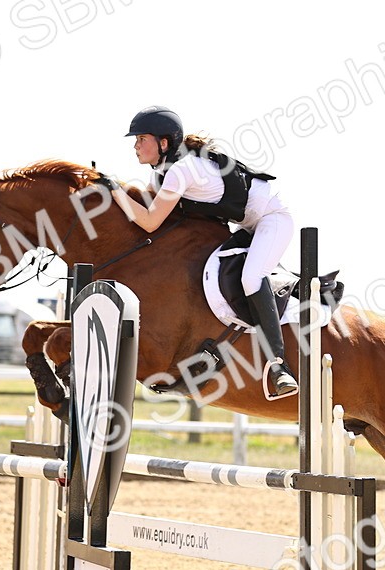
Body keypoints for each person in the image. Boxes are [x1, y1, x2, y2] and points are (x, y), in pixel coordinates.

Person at [102, 106, 298, 400]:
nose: (136, 146)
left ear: (164, 142)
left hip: (273, 218)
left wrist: (114, 190)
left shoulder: (181, 170)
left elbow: (150, 221)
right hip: (248, 224)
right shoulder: (165, 173)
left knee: (250, 278)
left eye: (142, 138)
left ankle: (278, 367)